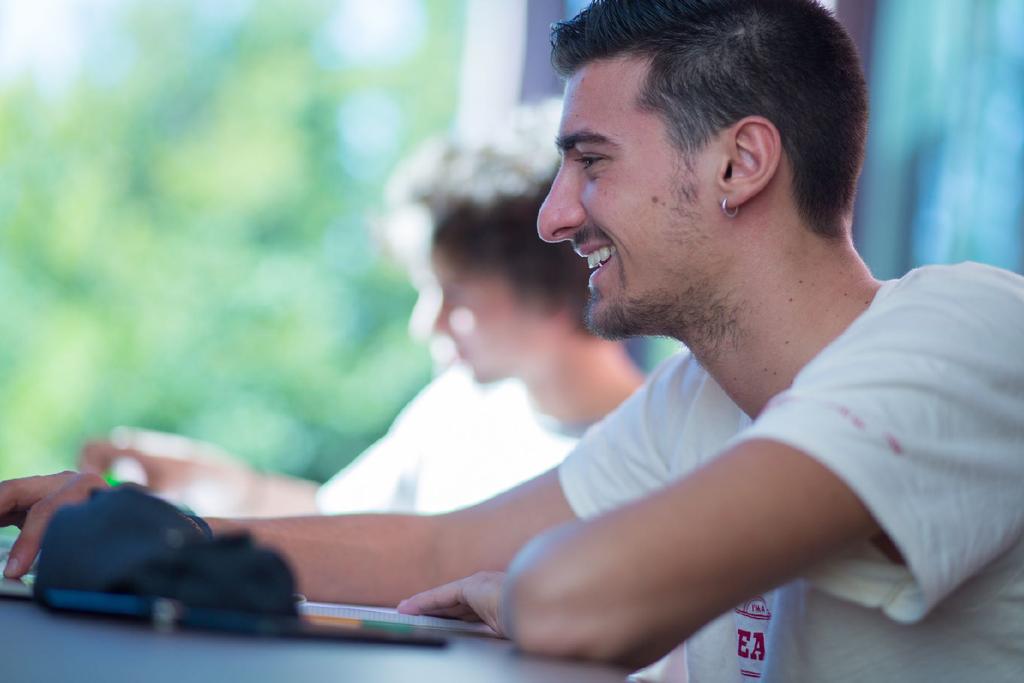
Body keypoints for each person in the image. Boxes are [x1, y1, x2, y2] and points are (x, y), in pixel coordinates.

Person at [3, 2, 1023, 680]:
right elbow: (440, 543)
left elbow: (580, 598)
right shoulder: (695, 401)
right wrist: (153, 531)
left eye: (589, 161)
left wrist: (531, 582)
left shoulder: (968, 333)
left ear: (737, 164)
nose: (551, 215)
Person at [76, 110, 645, 517]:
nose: (427, 324)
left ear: (549, 294)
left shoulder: (650, 449)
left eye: (456, 296)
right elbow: (338, 521)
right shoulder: (457, 412)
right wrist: (200, 478)